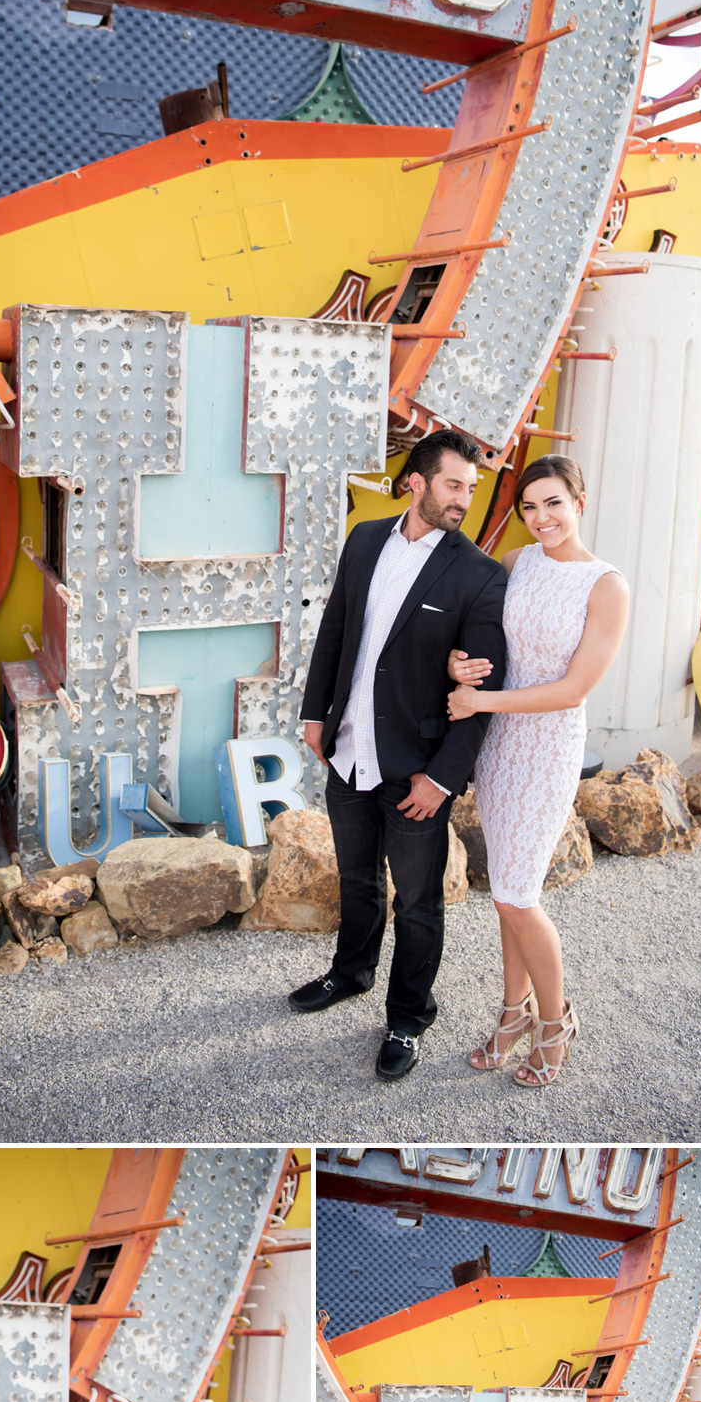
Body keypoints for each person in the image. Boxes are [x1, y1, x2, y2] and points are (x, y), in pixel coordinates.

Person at [292, 428, 508, 1081]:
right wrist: (313, 714)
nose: (463, 499)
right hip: (347, 750)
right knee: (356, 880)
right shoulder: (363, 541)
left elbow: (483, 690)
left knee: (417, 902)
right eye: (452, 484)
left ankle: (409, 1019)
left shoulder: (478, 574)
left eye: (470, 488)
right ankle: (351, 973)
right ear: (415, 481)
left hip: (416, 770)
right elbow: (336, 628)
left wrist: (443, 780)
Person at [446, 454, 630, 1087]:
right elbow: (480, 634)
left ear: (579, 499)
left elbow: (574, 688)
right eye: (529, 507)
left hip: (547, 747)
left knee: (520, 896)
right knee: (504, 895)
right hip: (497, 746)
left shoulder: (606, 586)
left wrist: (482, 700)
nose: (541, 518)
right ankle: (512, 1012)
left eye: (553, 503)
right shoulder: (518, 563)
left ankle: (555, 1023)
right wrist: (459, 666)